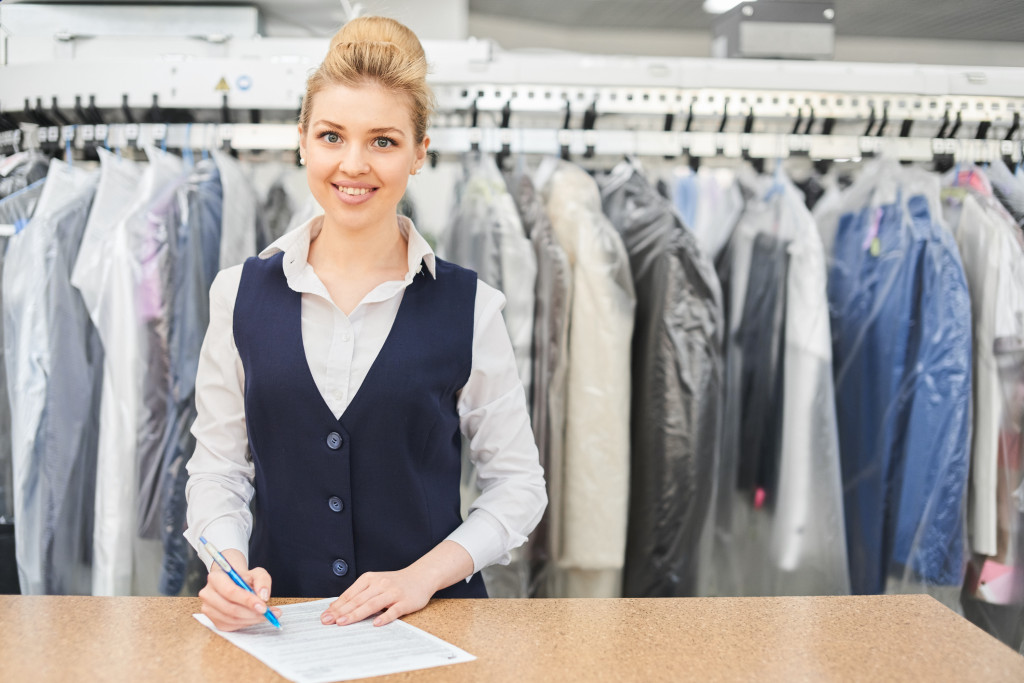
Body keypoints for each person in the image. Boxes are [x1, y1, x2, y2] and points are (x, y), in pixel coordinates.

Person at [184, 15, 547, 632]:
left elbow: (518, 486)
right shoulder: (237, 294)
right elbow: (218, 467)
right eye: (331, 136)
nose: (353, 164)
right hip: (284, 625)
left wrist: (423, 577)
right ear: (302, 140)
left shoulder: (471, 304)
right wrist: (230, 566)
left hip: (432, 627)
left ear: (418, 154)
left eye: (383, 141)